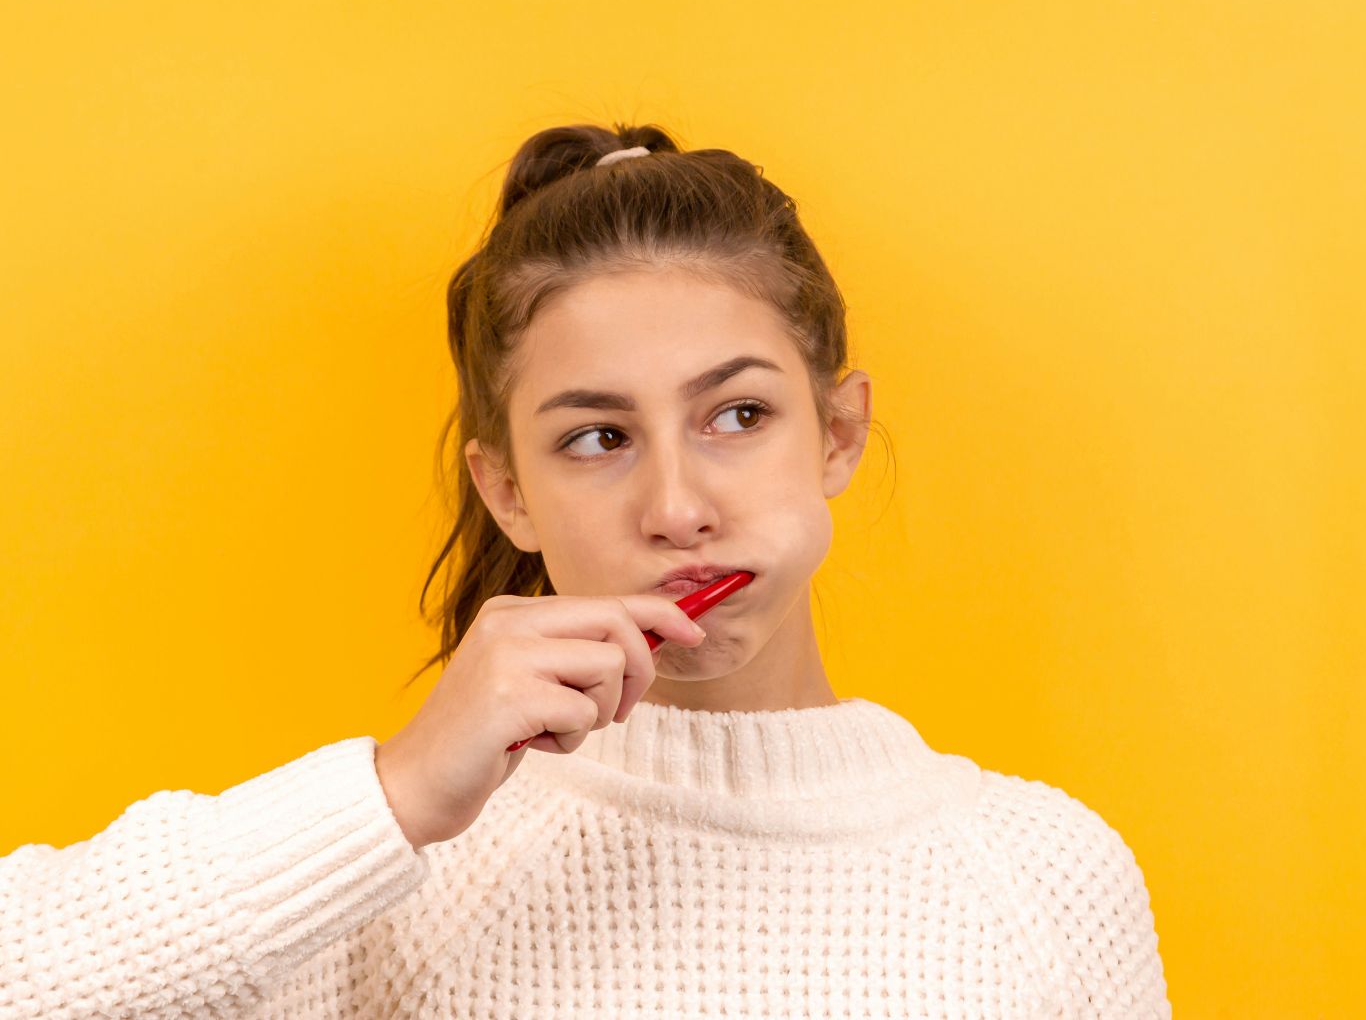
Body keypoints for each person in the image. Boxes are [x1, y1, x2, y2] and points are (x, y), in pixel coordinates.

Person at [0, 122, 1172, 1018]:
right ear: (507, 491)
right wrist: (395, 798)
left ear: (839, 433)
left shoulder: (1048, 879)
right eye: (598, 438)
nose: (677, 508)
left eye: (738, 415)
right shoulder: (397, 876)